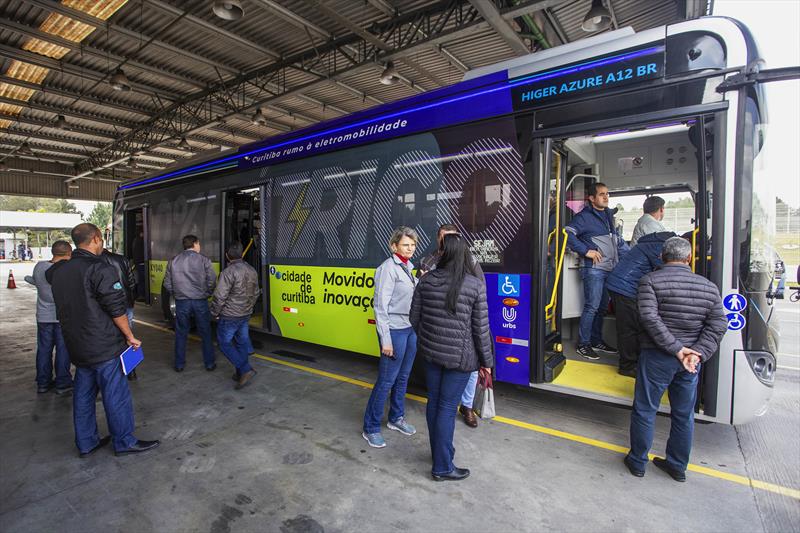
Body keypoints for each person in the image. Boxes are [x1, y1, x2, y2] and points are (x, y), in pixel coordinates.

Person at [47, 223, 159, 458]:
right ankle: (124, 441)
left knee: (84, 396)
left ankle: (86, 442)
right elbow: (116, 308)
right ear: (97, 239)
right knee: (116, 395)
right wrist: (129, 336)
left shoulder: (58, 271)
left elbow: (51, 274)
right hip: (104, 345)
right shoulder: (99, 268)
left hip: (76, 345)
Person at [623, 237, 727, 481]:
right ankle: (677, 466)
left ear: (662, 256)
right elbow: (719, 324)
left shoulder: (649, 281)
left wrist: (677, 349)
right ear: (689, 258)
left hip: (658, 357)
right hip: (689, 363)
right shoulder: (709, 287)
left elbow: (649, 319)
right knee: (683, 414)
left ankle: (638, 462)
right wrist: (695, 352)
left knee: (645, 409)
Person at [410, 233, 494, 481]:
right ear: (465, 255)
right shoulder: (474, 285)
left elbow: (414, 319)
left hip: (431, 355)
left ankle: (439, 453)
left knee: (434, 403)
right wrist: (486, 363)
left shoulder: (426, 281)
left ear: (442, 254)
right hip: (461, 359)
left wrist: (428, 341)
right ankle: (442, 467)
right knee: (447, 408)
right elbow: (481, 330)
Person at [419, 223, 486, 428]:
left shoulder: (469, 260)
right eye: (444, 237)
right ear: (439, 239)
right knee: (441, 393)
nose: (449, 240)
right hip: (439, 324)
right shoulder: (428, 260)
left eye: (453, 236)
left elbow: (479, 289)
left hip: (463, 323)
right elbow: (420, 296)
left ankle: (467, 406)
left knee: (471, 367)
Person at [362, 226, 419, 448]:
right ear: (394, 246)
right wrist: (385, 340)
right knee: (386, 381)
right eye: (406, 244)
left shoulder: (408, 268)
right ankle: (371, 427)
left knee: (403, 377)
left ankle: (396, 418)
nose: (410, 248)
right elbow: (380, 307)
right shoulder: (388, 269)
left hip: (409, 329)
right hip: (394, 331)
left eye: (413, 245)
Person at [565, 182, 629, 360]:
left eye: (607, 194)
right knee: (592, 307)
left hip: (610, 268)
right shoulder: (584, 217)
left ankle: (596, 340)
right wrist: (586, 251)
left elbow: (617, 242)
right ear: (592, 198)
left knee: (601, 308)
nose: (606, 197)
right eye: (602, 194)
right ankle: (583, 344)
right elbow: (567, 233)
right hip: (594, 269)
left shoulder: (609, 215)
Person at [606, 231, 676, 377]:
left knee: (634, 326)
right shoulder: (660, 247)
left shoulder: (649, 242)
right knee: (629, 329)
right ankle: (627, 366)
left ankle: (633, 361)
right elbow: (666, 269)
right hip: (625, 288)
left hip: (621, 285)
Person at [24, 240, 74, 395]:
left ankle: (43, 383)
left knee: (44, 350)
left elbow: (34, 280)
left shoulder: (39, 266)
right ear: (68, 253)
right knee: (63, 350)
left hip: (43, 317)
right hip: (62, 317)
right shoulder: (66, 270)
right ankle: (63, 382)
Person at [163, 234, 217, 372]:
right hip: (200, 301)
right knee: (205, 332)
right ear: (195, 244)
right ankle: (209, 363)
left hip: (182, 302)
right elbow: (212, 280)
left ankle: (179, 364)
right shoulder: (204, 260)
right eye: (199, 244)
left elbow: (167, 283)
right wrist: (207, 293)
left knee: (181, 332)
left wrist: (177, 294)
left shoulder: (173, 261)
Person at [210, 242, 259, 390]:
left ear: (227, 256)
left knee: (224, 343)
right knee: (241, 342)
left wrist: (214, 313)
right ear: (242, 254)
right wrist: (248, 307)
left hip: (230, 316)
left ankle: (245, 369)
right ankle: (240, 374)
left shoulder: (228, 272)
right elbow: (256, 293)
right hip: (245, 314)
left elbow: (220, 297)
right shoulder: (252, 270)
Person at [101, 247, 139, 381]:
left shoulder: (94, 262)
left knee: (106, 337)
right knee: (128, 336)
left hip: (104, 307)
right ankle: (131, 371)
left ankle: (110, 371)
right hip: (125, 304)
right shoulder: (122, 260)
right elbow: (132, 282)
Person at [131, 229, 145, 300]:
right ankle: (141, 295)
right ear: (141, 233)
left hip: (138, 262)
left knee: (140, 279)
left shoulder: (135, 240)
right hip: (142, 262)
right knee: (142, 280)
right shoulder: (141, 241)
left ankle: (140, 294)